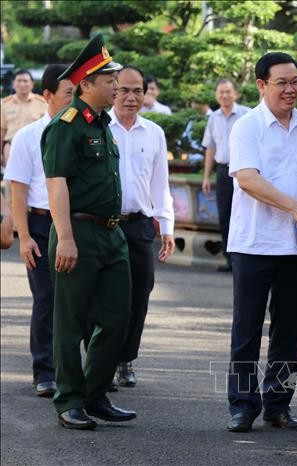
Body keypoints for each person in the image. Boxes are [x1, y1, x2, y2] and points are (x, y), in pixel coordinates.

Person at [225, 52, 297, 433]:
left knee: (290, 330)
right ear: (261, 85)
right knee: (247, 329)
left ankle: (278, 404)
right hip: (254, 244)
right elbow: (248, 180)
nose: (290, 90)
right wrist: (296, 208)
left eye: (296, 82)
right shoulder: (246, 126)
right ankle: (242, 405)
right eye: (281, 83)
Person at [41, 33, 135, 430]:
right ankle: (70, 400)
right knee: (71, 321)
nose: (117, 85)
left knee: (117, 318)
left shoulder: (102, 125)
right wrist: (64, 237)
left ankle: (95, 394)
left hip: (113, 235)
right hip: (77, 232)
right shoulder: (68, 125)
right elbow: (56, 184)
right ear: (86, 85)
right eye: (110, 79)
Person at [4, 63, 73, 397]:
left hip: (76, 225)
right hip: (41, 224)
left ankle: (73, 371)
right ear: (48, 96)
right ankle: (44, 371)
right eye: (69, 94)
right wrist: (24, 236)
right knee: (46, 298)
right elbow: (16, 189)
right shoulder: (28, 136)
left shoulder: (81, 134)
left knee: (76, 301)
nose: (74, 101)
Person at [108, 65, 175, 387]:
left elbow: (160, 183)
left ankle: (126, 359)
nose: (131, 97)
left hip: (139, 226)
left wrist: (167, 225)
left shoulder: (154, 133)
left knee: (139, 294)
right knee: (102, 296)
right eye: (124, 90)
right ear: (112, 90)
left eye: (138, 90)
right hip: (103, 225)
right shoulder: (98, 128)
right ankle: (100, 362)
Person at [201, 79, 249, 272]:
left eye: (228, 92)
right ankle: (230, 260)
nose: (225, 95)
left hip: (243, 172)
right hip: (222, 172)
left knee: (244, 215)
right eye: (221, 92)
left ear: (235, 94)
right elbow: (210, 148)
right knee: (225, 216)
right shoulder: (213, 118)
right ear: (216, 95)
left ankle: (243, 260)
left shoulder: (246, 114)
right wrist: (206, 176)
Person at [1, 70, 47, 170]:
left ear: (32, 84)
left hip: (35, 148)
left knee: (35, 182)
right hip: (11, 148)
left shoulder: (42, 103)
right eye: (19, 81)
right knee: (12, 182)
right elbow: (2, 130)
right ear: (13, 84)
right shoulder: (5, 104)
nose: (22, 84)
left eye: (25, 81)